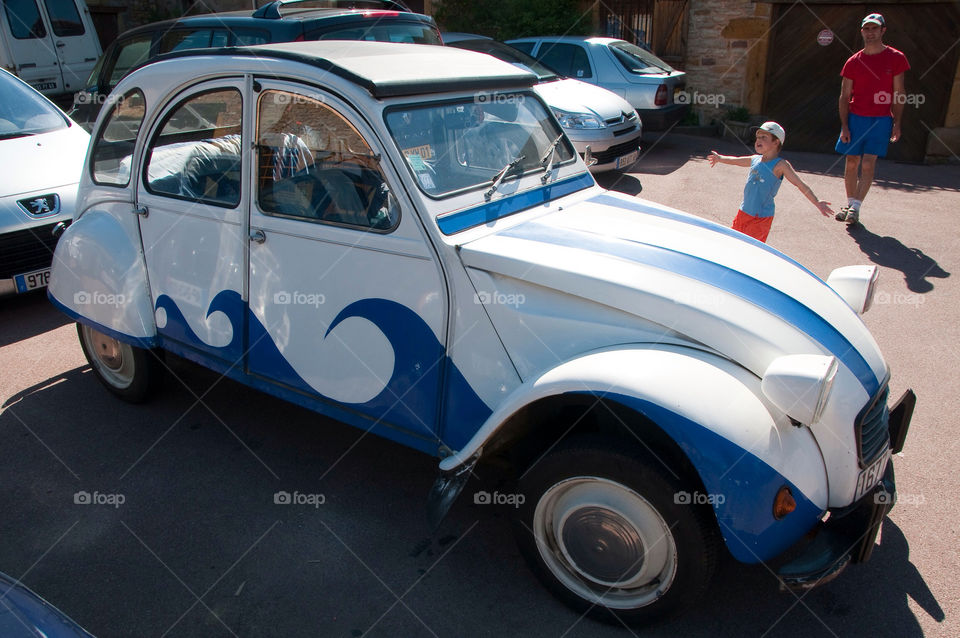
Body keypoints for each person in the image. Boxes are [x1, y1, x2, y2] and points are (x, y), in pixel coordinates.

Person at [835, 12, 910, 225]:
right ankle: (850, 205)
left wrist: (897, 122)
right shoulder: (853, 62)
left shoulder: (896, 58)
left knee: (868, 163)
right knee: (851, 162)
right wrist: (844, 126)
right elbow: (844, 96)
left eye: (874, 28)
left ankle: (855, 208)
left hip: (880, 120)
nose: (870, 32)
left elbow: (899, 92)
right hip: (856, 118)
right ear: (862, 31)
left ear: (882, 30)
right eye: (866, 29)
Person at [709, 122, 833, 243]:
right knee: (733, 243)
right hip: (743, 212)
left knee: (751, 250)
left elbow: (799, 184)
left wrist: (816, 202)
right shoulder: (755, 159)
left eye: (764, 137)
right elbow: (736, 160)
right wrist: (720, 158)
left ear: (776, 142)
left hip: (760, 218)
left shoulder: (780, 165)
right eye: (758, 137)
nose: (758, 140)